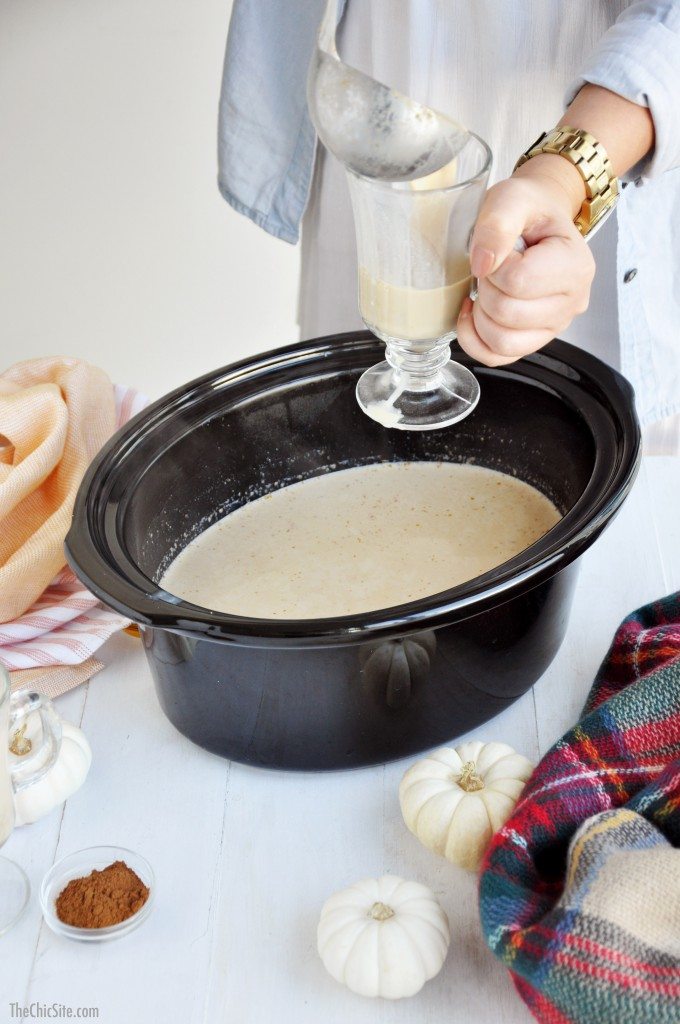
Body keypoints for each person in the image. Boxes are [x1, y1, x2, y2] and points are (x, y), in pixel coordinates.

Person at [218, 1, 680, 453]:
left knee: (576, 446)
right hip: (372, 95)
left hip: (599, 107)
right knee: (352, 450)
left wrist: (560, 180)